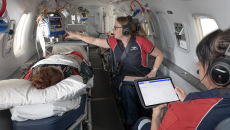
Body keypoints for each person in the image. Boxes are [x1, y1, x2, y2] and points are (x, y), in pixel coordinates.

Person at [64, 16, 163, 129]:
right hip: (122, 77)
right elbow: (95, 41)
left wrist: (153, 72)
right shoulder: (113, 42)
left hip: (142, 76)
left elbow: (159, 55)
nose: (113, 30)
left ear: (126, 30)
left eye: (116, 27)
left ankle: (145, 121)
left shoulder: (141, 41)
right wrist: (77, 35)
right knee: (128, 90)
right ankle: (132, 124)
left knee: (146, 93)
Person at [133, 29, 230, 130]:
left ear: (219, 70)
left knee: (142, 121)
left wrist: (156, 117)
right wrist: (189, 102)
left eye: (202, 59)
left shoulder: (179, 111)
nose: (198, 64)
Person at [21, 51, 93, 89]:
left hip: (48, 59)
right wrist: (78, 59)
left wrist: (45, 58)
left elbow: (29, 68)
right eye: (59, 69)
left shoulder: (31, 74)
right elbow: (88, 73)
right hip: (68, 59)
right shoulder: (70, 73)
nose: (58, 67)